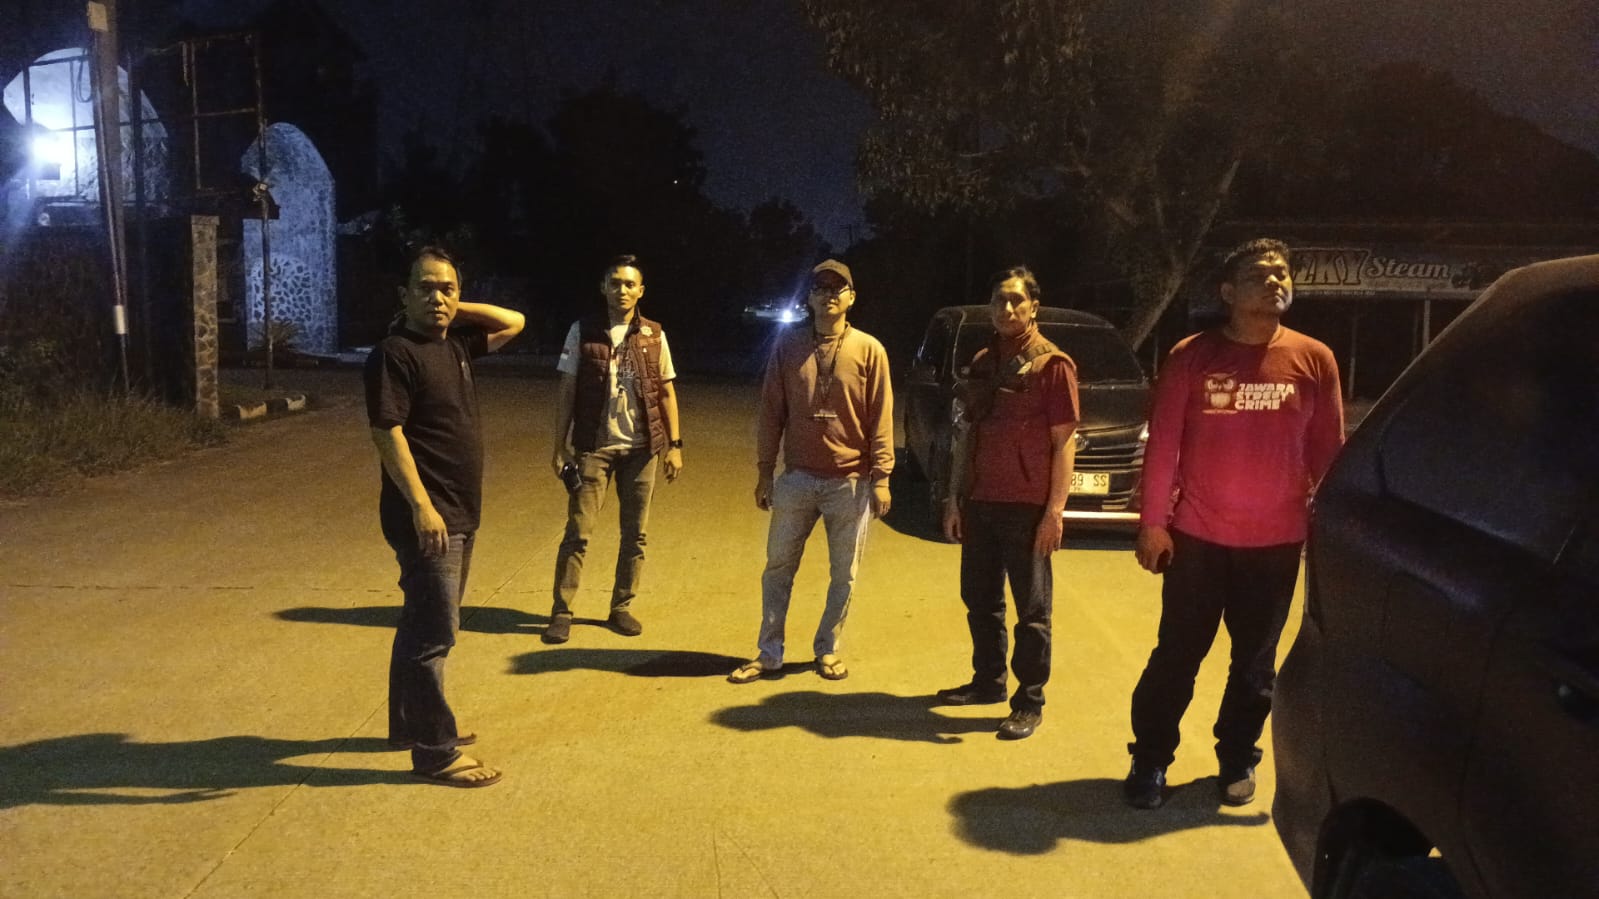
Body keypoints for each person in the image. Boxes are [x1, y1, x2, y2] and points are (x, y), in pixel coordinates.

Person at [1122, 238, 1344, 808]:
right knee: (1177, 656)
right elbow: (1164, 446)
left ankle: (1237, 756)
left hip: (1276, 543)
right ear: (1227, 292)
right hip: (1198, 539)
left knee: (1255, 666)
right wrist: (1153, 523)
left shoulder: (1314, 359)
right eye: (1260, 275)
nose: (1275, 282)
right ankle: (1150, 759)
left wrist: (1333, 532)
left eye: (1282, 273)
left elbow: (1329, 453)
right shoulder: (1191, 356)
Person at [365, 245, 524, 787]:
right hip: (428, 516)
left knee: (419, 624)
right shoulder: (395, 353)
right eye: (425, 288)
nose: (437, 298)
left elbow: (514, 322)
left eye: (447, 288)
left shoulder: (454, 344)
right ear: (403, 295)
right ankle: (435, 751)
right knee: (435, 635)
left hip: (458, 511)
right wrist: (422, 507)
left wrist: (454, 307)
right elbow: (387, 432)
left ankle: (408, 726)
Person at [729, 259, 893, 684]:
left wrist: (882, 477)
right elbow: (771, 411)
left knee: (845, 574)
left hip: (850, 482)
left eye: (838, 288)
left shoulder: (869, 349)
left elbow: (881, 417)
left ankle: (828, 647)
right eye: (820, 288)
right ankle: (769, 652)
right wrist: (765, 471)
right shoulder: (788, 346)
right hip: (797, 478)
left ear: (852, 297)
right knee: (778, 568)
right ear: (809, 297)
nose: (829, 295)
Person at [935, 267, 1079, 740]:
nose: (1007, 308)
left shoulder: (1053, 365)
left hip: (1027, 508)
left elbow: (1064, 442)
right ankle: (988, 682)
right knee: (980, 600)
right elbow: (967, 435)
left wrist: (1054, 511)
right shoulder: (983, 360)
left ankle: (1029, 701)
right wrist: (954, 498)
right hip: (980, 502)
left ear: (1034, 306)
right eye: (1000, 300)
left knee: (1032, 612)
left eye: (1017, 300)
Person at [546, 255, 683, 644]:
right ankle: (562, 611)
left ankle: (621, 606)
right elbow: (567, 389)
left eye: (629, 284)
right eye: (615, 283)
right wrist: (559, 445)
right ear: (603, 287)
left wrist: (674, 445)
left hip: (642, 450)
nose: (622, 290)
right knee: (578, 531)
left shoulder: (654, 335)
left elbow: (666, 391)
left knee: (635, 534)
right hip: (594, 447)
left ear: (641, 291)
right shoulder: (583, 331)